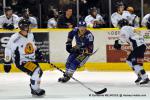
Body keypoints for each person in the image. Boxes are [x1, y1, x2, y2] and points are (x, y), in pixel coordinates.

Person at [4, 19, 45, 96]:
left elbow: (32, 45)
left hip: (31, 59)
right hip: (21, 62)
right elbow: (8, 48)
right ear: (25, 27)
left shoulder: (30, 34)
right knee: (36, 71)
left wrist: (38, 52)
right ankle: (35, 89)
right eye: (29, 26)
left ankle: (34, 88)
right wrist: (7, 62)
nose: (31, 27)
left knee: (39, 73)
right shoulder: (15, 38)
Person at [114, 19, 150, 85]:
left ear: (121, 24)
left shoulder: (124, 28)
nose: (119, 27)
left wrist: (118, 43)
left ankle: (145, 78)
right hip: (141, 46)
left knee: (136, 64)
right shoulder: (133, 28)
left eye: (119, 25)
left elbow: (124, 37)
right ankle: (140, 75)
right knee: (129, 61)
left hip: (138, 46)